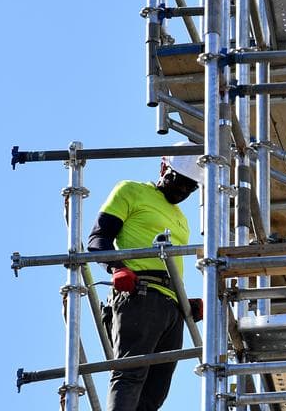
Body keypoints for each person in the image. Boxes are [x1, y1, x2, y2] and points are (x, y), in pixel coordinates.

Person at [88, 144, 203, 411]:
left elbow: (173, 265)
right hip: (140, 294)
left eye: (191, 187)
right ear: (164, 167)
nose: (183, 190)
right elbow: (97, 239)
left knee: (154, 395)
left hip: (172, 307)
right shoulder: (131, 191)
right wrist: (116, 268)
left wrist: (186, 302)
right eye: (179, 182)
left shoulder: (181, 218)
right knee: (130, 375)